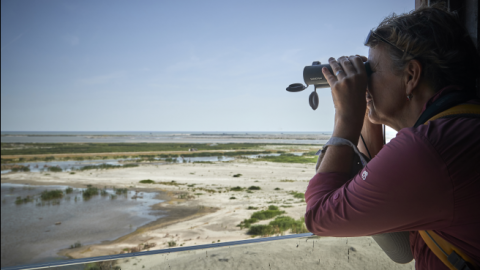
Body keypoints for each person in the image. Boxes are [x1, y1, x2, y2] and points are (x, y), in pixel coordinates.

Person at [304, 5, 480, 270]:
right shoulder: (461, 126)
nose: (365, 81)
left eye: (371, 71)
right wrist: (365, 112)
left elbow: (318, 216)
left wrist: (346, 119)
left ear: (411, 76)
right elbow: (401, 248)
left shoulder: (428, 150)